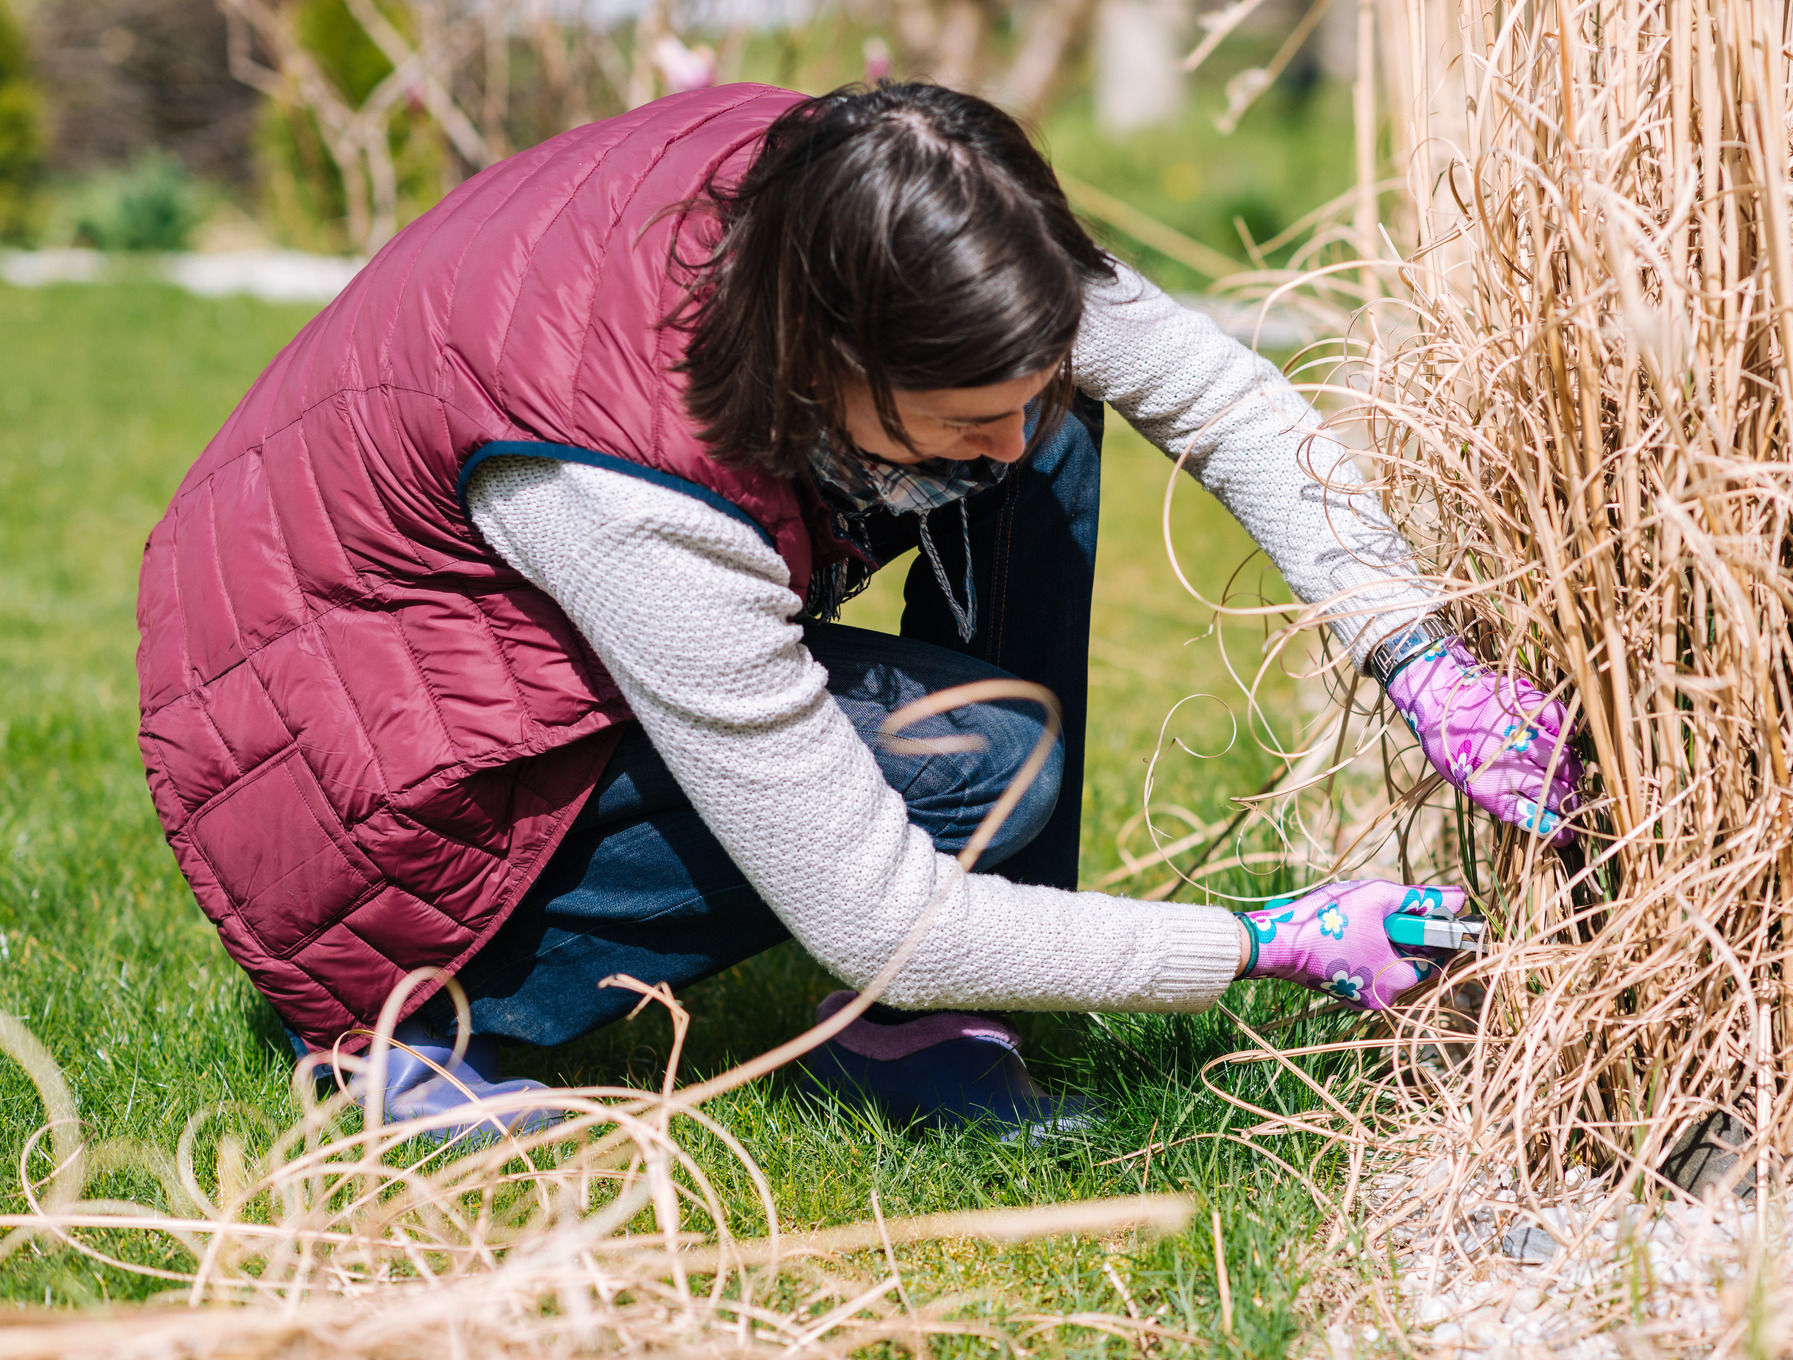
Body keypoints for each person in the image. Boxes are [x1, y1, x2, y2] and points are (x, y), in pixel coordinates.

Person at [134, 82, 1577, 1137]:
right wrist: (1263, 942)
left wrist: (1415, 649)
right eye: (959, 417)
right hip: (366, 795)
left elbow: (1217, 395)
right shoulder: (630, 495)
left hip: (456, 641)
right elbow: (871, 908)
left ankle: (941, 1027)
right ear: (826, 362)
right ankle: (409, 1029)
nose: (1006, 448)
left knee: (1052, 437)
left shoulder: (903, 217)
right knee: (978, 754)